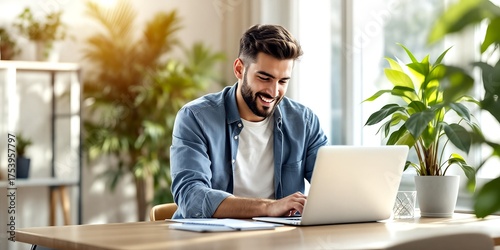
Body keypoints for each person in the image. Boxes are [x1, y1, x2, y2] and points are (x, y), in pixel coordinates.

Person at [170, 24, 328, 219]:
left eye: (283, 81)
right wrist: (270, 207)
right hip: (211, 241)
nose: (273, 91)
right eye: (264, 77)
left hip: (282, 240)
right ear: (239, 69)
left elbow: (332, 187)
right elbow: (191, 196)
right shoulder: (195, 118)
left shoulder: (304, 121)